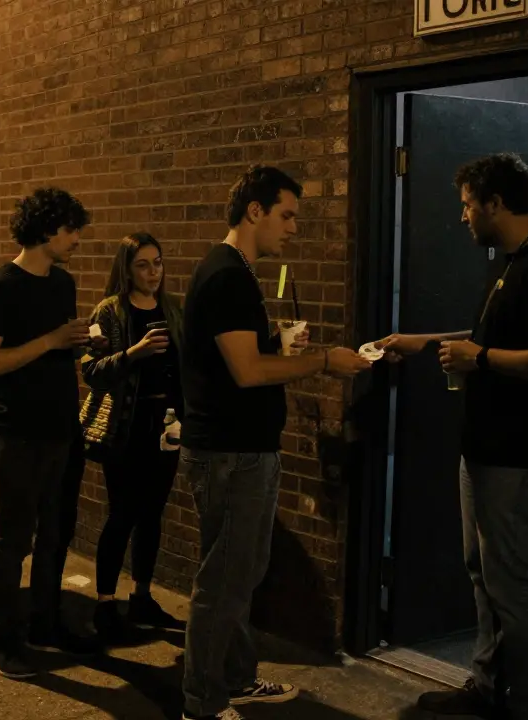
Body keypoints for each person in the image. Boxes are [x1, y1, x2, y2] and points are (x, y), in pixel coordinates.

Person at [379, 154, 528, 720]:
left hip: (524, 451)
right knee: (485, 570)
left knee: (512, 576)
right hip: (488, 448)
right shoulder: (511, 264)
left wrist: (483, 358)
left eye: (469, 204)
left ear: (496, 202)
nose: (464, 216)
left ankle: (527, 704)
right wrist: (420, 340)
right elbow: (482, 338)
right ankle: (487, 684)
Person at [178, 166, 372, 720]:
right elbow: (245, 371)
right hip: (231, 452)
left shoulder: (234, 272)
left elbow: (237, 357)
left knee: (240, 574)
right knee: (225, 580)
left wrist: (281, 347)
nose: (293, 228)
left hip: (236, 447)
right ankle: (203, 701)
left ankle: (234, 677)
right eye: (286, 215)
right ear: (254, 211)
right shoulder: (228, 276)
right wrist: (322, 362)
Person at [0, 187, 99, 679]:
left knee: (56, 533)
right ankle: (2, 639)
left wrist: (79, 343)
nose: (77, 240)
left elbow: (56, 352)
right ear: (47, 230)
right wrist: (50, 340)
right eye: (71, 230)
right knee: (14, 537)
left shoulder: (62, 284)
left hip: (62, 426)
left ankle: (46, 623)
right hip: (18, 430)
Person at [80, 232, 187, 643]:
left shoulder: (173, 309)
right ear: (126, 268)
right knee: (121, 511)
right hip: (125, 425)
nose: (153, 272)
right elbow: (90, 369)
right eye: (143, 264)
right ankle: (105, 600)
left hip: (166, 423)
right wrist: (133, 353)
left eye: (157, 262)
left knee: (152, 512)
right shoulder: (109, 311)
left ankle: (141, 595)